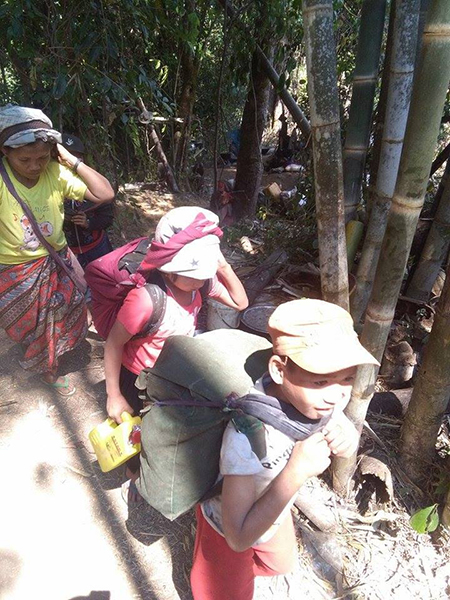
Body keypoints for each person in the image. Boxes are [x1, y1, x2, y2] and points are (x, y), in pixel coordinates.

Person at [191, 298, 380, 600]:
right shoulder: (245, 436)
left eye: (348, 378)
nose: (336, 396)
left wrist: (348, 438)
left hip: (273, 507)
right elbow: (237, 537)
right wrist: (297, 471)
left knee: (280, 563)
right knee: (225, 592)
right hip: (226, 525)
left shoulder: (316, 402)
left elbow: (339, 429)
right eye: (320, 381)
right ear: (279, 370)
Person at [102, 206, 248, 502]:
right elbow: (113, 344)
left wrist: (221, 267)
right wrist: (114, 395)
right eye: (191, 275)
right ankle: (134, 481)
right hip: (138, 376)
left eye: (202, 274)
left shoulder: (201, 284)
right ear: (168, 266)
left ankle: (153, 471)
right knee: (137, 434)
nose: (198, 281)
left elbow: (240, 302)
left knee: (162, 432)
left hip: (173, 372)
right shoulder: (145, 300)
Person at [0, 105, 114, 396]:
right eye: (25, 159)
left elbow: (105, 194)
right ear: (5, 152)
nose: (35, 166)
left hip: (57, 260)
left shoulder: (56, 172)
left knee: (63, 312)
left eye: (42, 157)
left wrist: (72, 161)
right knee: (27, 324)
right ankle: (40, 357)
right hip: (15, 269)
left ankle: (46, 366)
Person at [62, 133, 114, 269]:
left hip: (97, 247)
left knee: (105, 283)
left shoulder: (94, 183)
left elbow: (108, 217)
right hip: (66, 252)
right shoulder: (48, 183)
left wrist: (88, 223)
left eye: (75, 156)